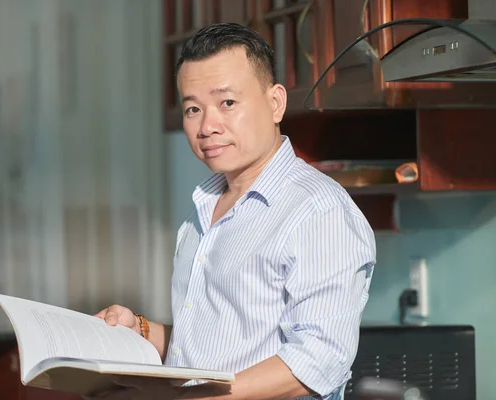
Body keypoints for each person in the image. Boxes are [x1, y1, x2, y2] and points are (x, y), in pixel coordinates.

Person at [92, 22, 376, 400]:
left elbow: (316, 362)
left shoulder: (317, 210)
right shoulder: (204, 207)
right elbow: (215, 344)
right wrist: (142, 330)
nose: (207, 126)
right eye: (193, 108)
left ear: (275, 103)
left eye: (227, 103)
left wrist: (182, 399)